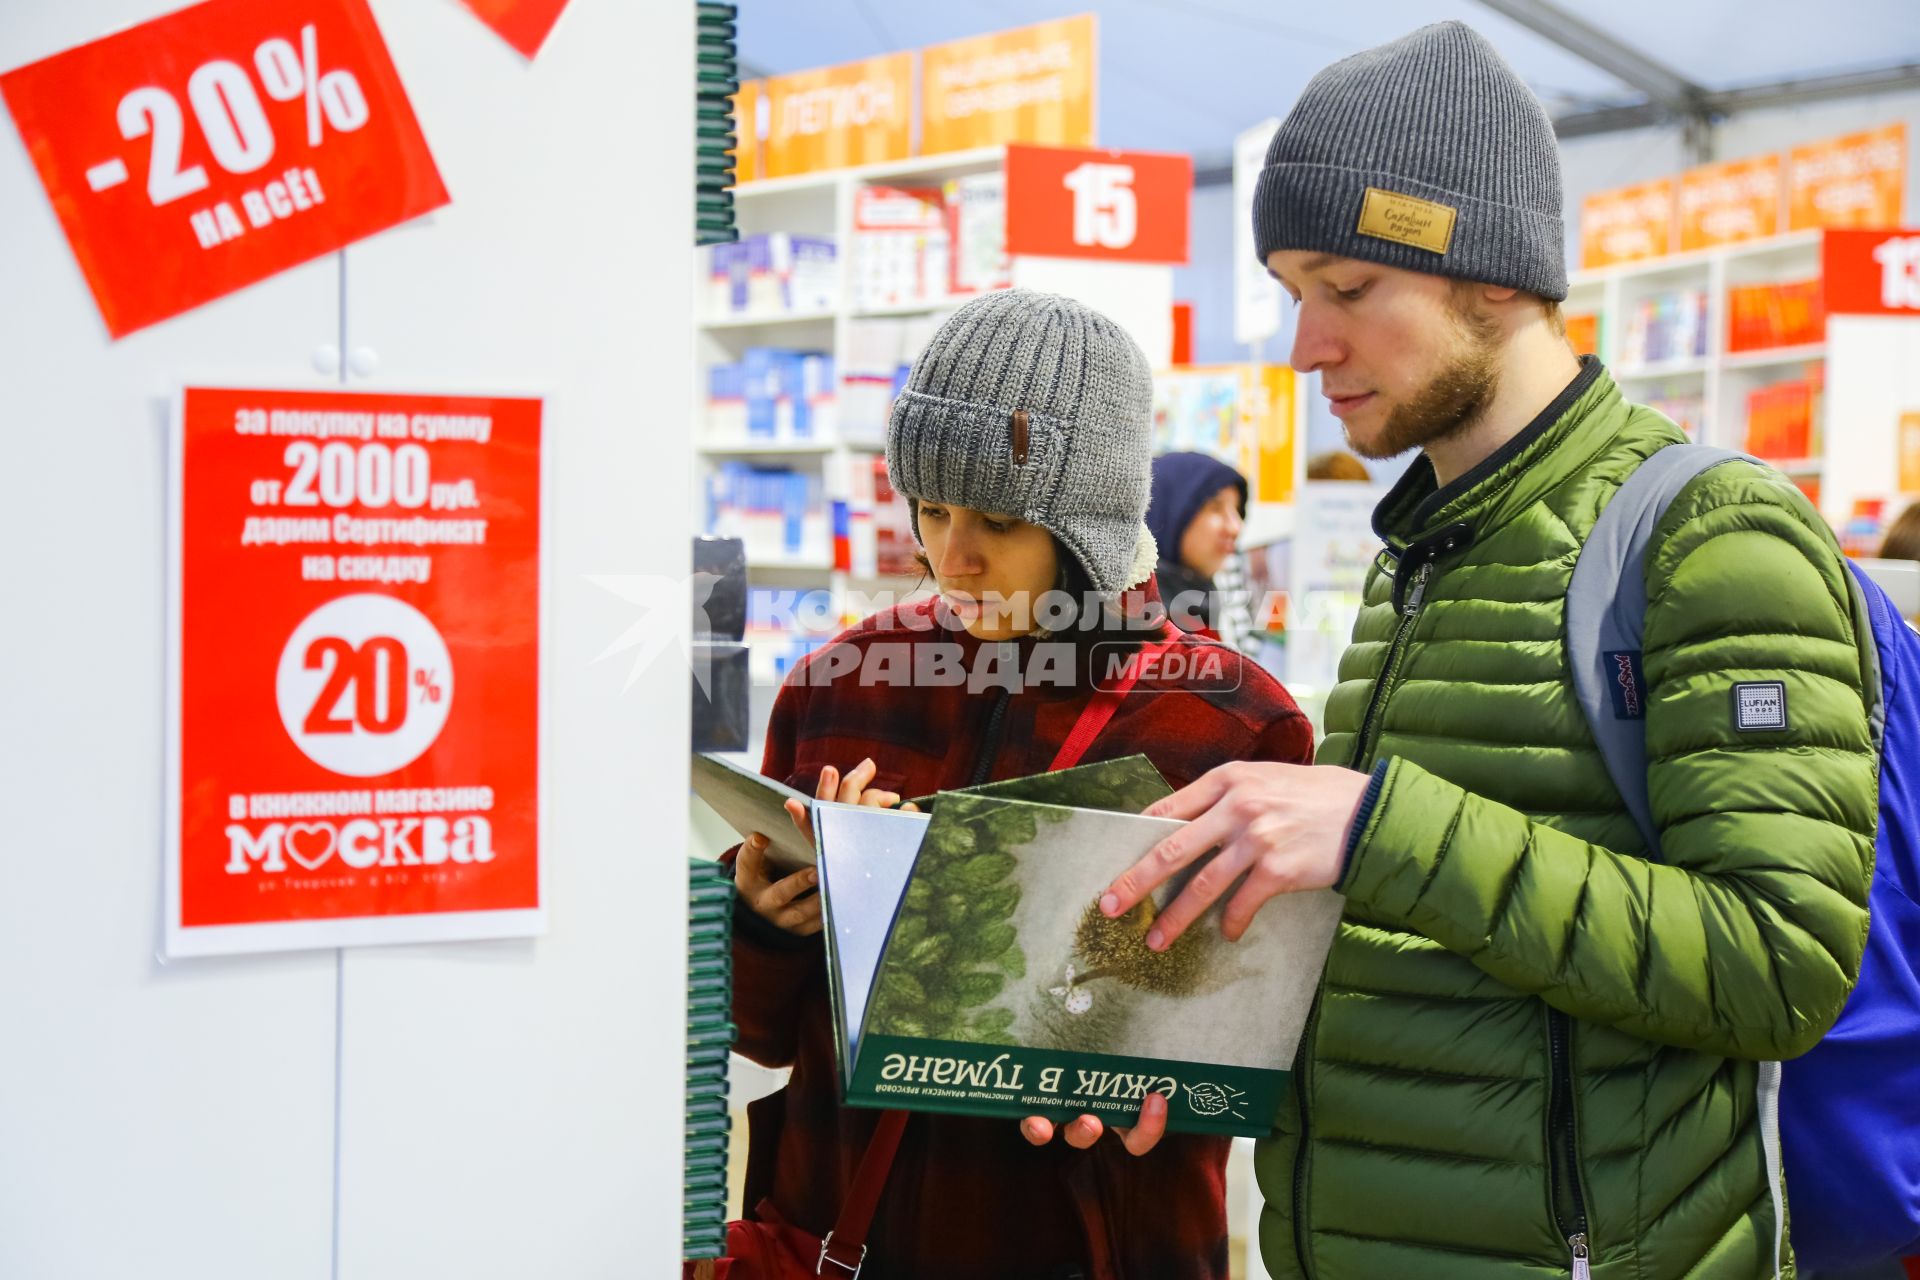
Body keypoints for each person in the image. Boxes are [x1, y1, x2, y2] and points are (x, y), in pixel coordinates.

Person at [1098, 22, 1878, 1280]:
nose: (1308, 345)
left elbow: (1778, 962)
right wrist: (1194, 1054)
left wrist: (1375, 828)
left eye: (1348, 289)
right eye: (1295, 293)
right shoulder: (1425, 549)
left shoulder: (1709, 533)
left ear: (1497, 276)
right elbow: (1429, 967)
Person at [727, 289, 1314, 1280]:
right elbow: (759, 1033)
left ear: (1086, 523)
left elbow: (1253, 1052)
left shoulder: (1229, 726)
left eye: (998, 518)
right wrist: (769, 917)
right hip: (841, 1232)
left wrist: (1155, 1079)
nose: (952, 555)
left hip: (1093, 1238)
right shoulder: (842, 687)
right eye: (932, 506)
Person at [1146, 451, 1248, 641]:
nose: (1236, 527)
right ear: (1169, 514)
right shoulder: (1141, 632)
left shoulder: (1200, 610)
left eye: (1237, 510)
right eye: (1216, 508)